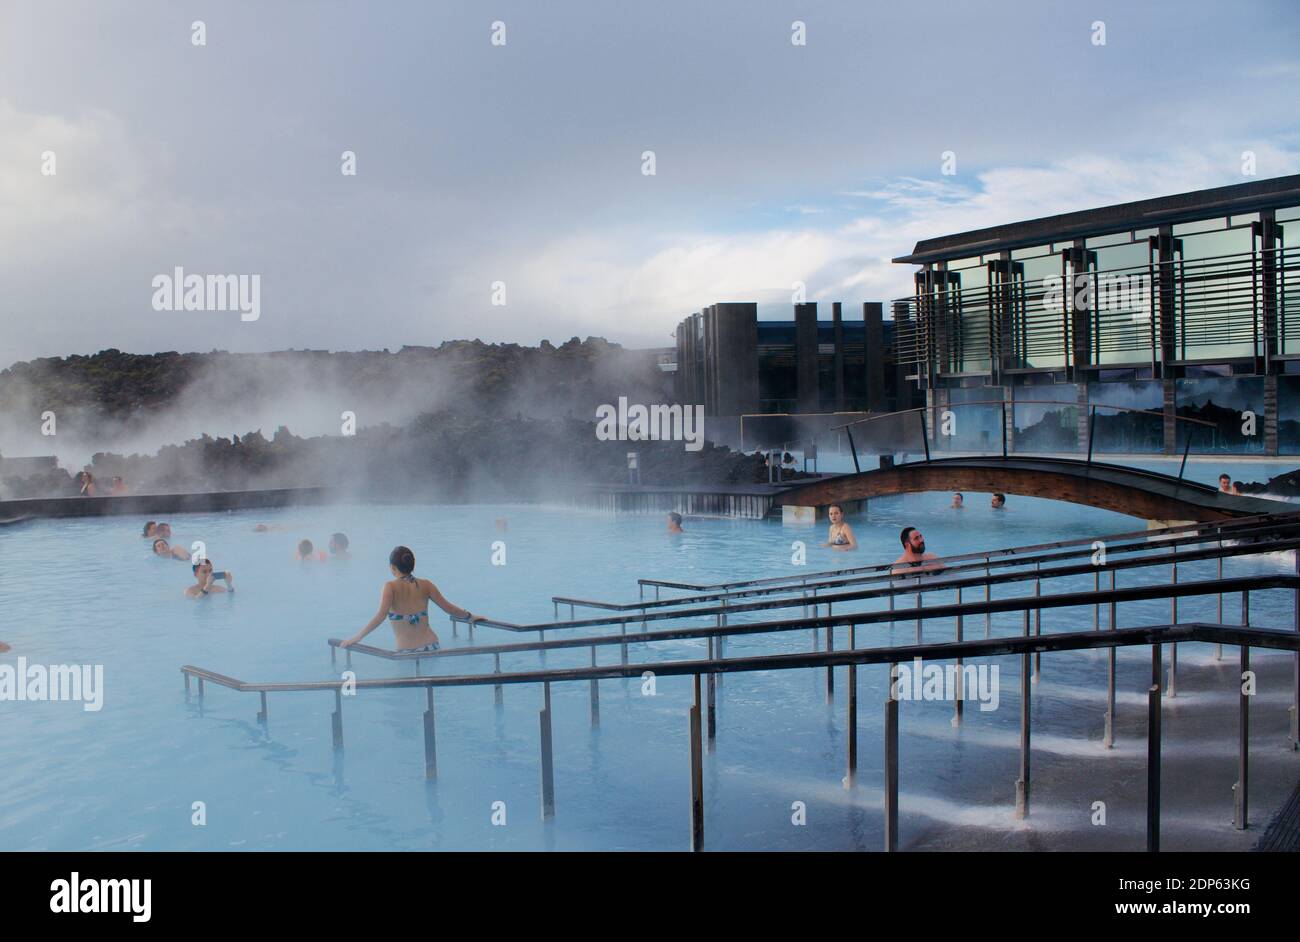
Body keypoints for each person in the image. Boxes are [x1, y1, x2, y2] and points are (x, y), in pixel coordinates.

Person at [339, 545, 485, 653]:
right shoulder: (426, 584)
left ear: (392, 567)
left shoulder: (390, 586)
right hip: (432, 646)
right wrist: (470, 616)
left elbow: (381, 616)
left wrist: (357, 637)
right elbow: (449, 608)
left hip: (407, 652)